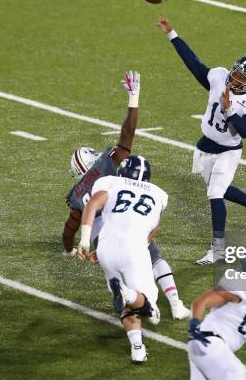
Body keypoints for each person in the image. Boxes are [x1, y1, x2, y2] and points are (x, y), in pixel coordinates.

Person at [63, 71, 189, 319]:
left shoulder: (78, 193)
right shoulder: (109, 170)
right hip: (127, 223)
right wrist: (134, 98)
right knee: (153, 255)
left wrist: (70, 248)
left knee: (119, 281)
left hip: (103, 239)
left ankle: (128, 308)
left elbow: (69, 229)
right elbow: (127, 135)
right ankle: (174, 303)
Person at [157, 17, 246, 266]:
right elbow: (195, 66)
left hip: (228, 150)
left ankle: (218, 250)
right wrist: (172, 34)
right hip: (206, 144)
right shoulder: (220, 77)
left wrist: (229, 109)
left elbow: (244, 131)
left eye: (242, 78)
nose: (234, 79)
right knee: (218, 188)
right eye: (235, 72)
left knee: (215, 193)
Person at [77, 155, 167, 364]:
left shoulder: (111, 183)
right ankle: (127, 293)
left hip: (106, 247)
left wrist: (84, 241)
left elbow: (92, 205)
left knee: (130, 304)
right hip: (134, 247)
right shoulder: (158, 194)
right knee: (148, 306)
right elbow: (154, 228)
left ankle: (137, 347)